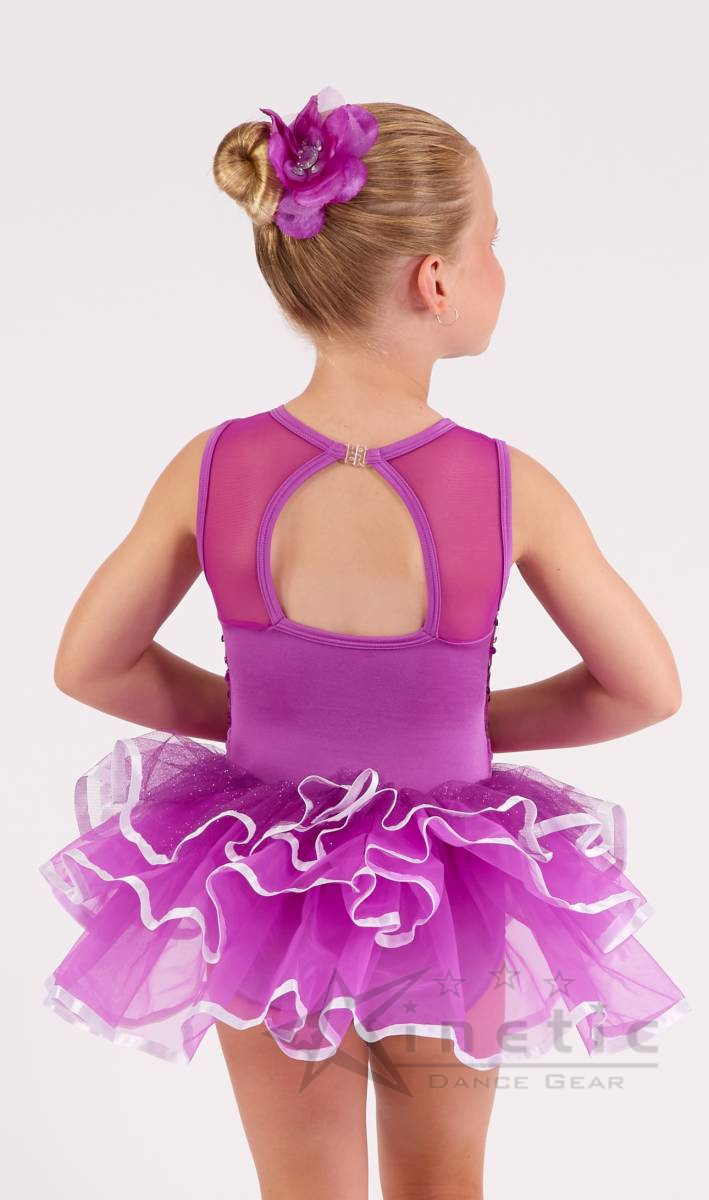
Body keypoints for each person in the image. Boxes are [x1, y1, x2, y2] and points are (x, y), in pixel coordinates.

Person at [40, 86, 691, 1200]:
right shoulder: (508, 487)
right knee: (443, 1184)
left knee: (302, 1190)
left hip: (264, 880)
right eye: (492, 243)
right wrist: (459, 725)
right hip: (445, 887)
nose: (499, 268)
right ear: (435, 279)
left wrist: (265, 716)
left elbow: (88, 663)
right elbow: (645, 690)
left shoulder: (213, 467)